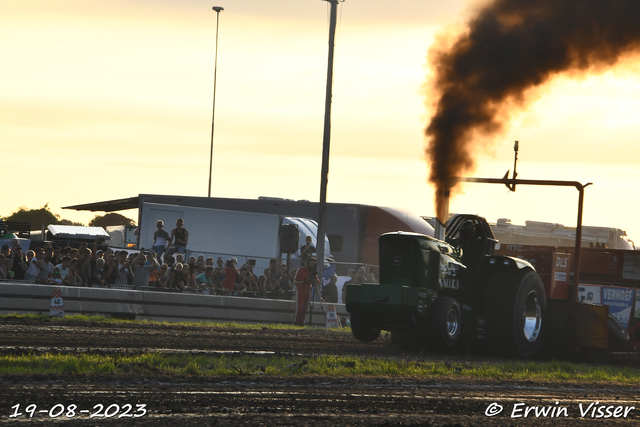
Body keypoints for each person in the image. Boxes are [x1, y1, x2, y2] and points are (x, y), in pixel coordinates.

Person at [293, 257, 318, 326]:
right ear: (308, 263)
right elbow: (295, 280)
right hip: (301, 289)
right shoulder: (301, 270)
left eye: (314, 264)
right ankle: (296, 322)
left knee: (306, 308)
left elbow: (316, 281)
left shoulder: (313, 272)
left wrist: (315, 279)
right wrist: (305, 280)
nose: (312, 265)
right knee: (300, 307)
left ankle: (302, 322)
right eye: (311, 263)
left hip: (308, 290)